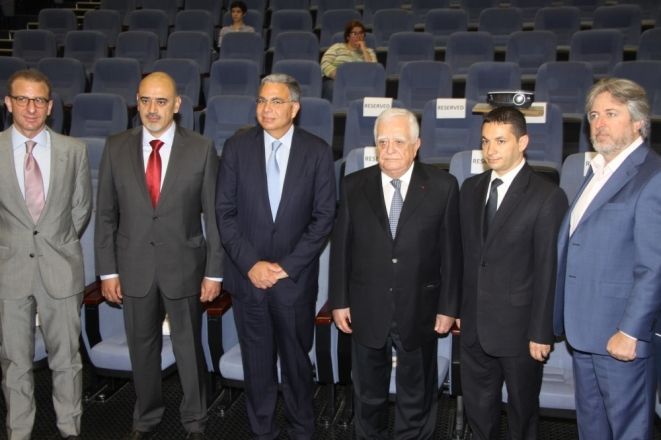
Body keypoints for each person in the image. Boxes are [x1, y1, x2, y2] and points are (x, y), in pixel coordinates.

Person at [95, 72, 223, 440]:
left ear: (177, 105)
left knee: (188, 348)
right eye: (146, 100)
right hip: (132, 268)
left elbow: (214, 217)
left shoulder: (201, 148)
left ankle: (195, 420)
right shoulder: (115, 147)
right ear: (136, 102)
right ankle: (146, 417)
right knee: (142, 348)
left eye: (161, 101)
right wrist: (107, 272)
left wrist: (214, 272)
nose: (153, 109)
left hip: (185, 267)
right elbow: (105, 215)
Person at [216, 73, 336, 439]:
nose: (266, 109)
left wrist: (286, 267)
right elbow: (224, 213)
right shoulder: (236, 148)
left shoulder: (317, 151)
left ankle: (302, 430)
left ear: (294, 108)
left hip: (293, 283)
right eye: (262, 101)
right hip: (248, 280)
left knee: (297, 364)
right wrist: (251, 264)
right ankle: (262, 431)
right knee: (257, 366)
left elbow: (323, 217)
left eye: (276, 101)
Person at [329, 108, 461, 439]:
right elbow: (341, 249)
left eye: (398, 141)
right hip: (366, 309)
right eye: (382, 141)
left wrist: (448, 307)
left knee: (417, 395)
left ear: (416, 145)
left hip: (420, 308)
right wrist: (339, 301)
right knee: (367, 395)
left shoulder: (443, 186)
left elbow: (452, 253)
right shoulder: (353, 185)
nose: (389, 149)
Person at [554, 78, 661, 440]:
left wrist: (630, 332)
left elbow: (654, 267)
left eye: (611, 114)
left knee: (628, 431)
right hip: (585, 332)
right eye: (594, 115)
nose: (599, 123)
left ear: (638, 122)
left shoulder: (652, 176)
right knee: (592, 429)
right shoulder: (598, 170)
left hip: (620, 337)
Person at [459, 106, 568, 440]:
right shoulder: (470, 188)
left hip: (521, 332)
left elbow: (548, 269)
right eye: (485, 141)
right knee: (479, 412)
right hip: (474, 326)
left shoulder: (547, 196)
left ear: (522, 142)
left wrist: (541, 332)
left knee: (522, 414)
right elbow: (465, 256)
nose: (490, 149)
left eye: (500, 141)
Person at [0, 69, 92, 440]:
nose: (31, 108)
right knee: (14, 362)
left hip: (61, 269)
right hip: (9, 271)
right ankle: (19, 431)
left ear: (50, 106)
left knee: (67, 359)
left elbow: (81, 209)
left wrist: (56, 241)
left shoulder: (74, 150)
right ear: (8, 103)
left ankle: (70, 428)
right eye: (22, 99)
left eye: (39, 100)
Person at [320, 20, 376, 99]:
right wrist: (340, 77)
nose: (359, 36)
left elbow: (373, 70)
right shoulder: (337, 47)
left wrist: (364, 49)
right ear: (348, 37)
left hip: (360, 83)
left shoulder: (369, 52)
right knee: (332, 87)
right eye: (354, 33)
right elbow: (325, 63)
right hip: (336, 80)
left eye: (361, 33)